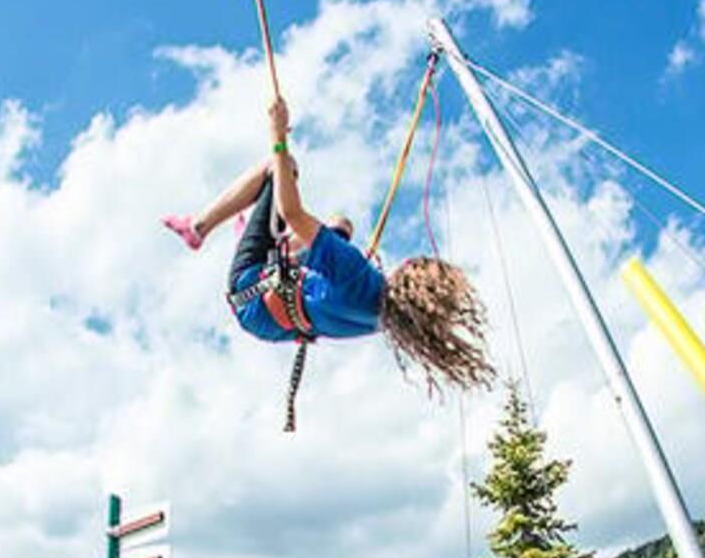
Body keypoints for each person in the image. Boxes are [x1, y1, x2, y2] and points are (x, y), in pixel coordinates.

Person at [162, 97, 494, 400]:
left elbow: (292, 212)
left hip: (250, 289)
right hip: (270, 324)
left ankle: (198, 228)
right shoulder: (384, 321)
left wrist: (278, 135)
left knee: (281, 168)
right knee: (340, 225)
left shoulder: (356, 273)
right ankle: (275, 245)